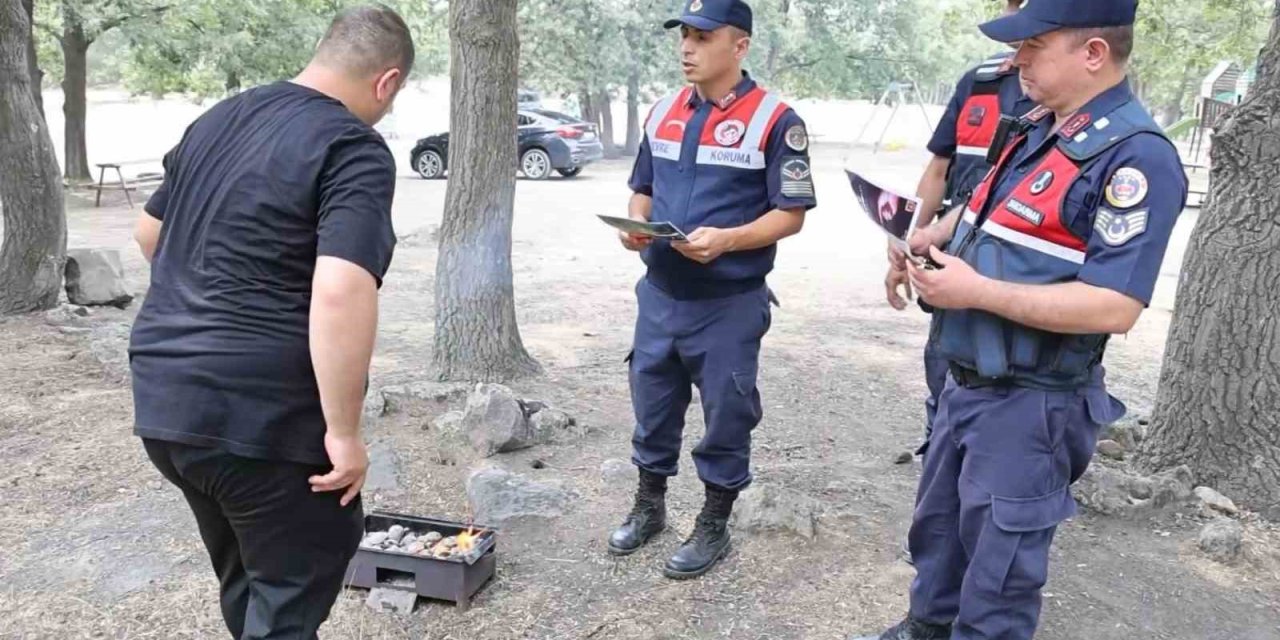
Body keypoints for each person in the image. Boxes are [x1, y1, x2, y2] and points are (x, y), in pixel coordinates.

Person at [853, 0, 1187, 638]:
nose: (1016, 60)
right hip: (964, 383)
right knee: (939, 533)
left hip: (1032, 403)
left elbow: (1116, 306)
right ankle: (926, 627)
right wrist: (928, 238)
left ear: (1094, 53)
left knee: (998, 579)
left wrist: (978, 291)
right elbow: (982, 207)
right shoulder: (1038, 125)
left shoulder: (1135, 158)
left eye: (1034, 46)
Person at [129, 6, 412, 638]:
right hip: (260, 419)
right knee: (290, 592)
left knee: (250, 579)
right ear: (387, 82)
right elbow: (340, 290)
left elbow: (149, 234)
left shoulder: (219, 119)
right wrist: (344, 433)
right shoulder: (350, 145)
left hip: (167, 401)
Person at [607, 0, 817, 580]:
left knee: (727, 413)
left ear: (739, 45)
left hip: (728, 303)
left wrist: (729, 240)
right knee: (652, 405)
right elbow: (643, 188)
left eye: (702, 37)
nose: (687, 47)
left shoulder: (776, 120)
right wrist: (635, 223)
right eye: (684, 35)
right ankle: (649, 507)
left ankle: (713, 522)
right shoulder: (663, 111)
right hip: (660, 294)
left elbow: (792, 214)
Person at [886, 0, 1033, 450]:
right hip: (951, 263)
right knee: (944, 372)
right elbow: (938, 171)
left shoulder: (1070, 98)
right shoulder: (979, 82)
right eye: (1010, 2)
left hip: (1022, 277)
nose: (1012, 12)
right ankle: (941, 452)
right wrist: (907, 240)